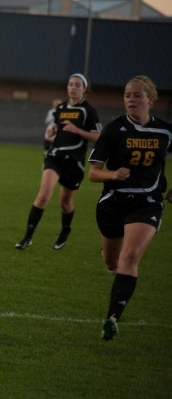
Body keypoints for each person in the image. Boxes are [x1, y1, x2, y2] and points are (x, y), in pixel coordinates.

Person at [87, 75, 172, 341]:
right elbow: (93, 174)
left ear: (151, 99)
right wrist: (113, 175)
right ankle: (110, 258)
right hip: (113, 203)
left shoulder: (165, 132)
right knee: (112, 260)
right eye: (127, 95)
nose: (131, 100)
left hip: (147, 202)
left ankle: (112, 318)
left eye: (137, 95)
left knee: (130, 256)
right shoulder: (113, 130)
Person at [15, 73, 102, 250]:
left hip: (75, 161)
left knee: (65, 203)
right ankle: (27, 237)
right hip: (55, 156)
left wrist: (77, 130)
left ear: (85, 89)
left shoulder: (89, 111)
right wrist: (52, 131)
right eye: (71, 84)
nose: (73, 87)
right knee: (43, 195)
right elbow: (57, 127)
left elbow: (99, 137)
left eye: (78, 85)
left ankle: (65, 231)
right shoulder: (61, 108)